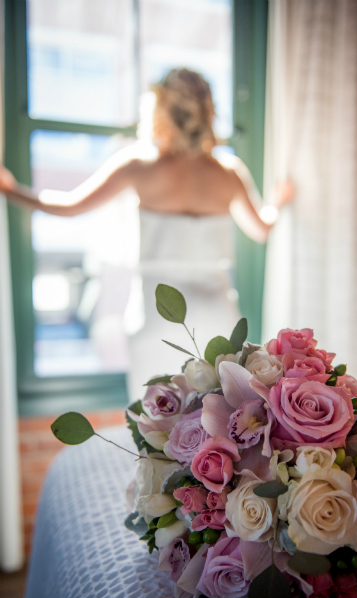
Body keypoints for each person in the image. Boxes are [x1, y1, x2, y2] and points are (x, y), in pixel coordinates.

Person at [0, 68, 294, 399]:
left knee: (157, 423)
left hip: (159, 313)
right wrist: (278, 203)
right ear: (208, 111)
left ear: (159, 110)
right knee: (220, 418)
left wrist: (10, 189)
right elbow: (260, 229)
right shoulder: (229, 172)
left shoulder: (139, 166)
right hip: (217, 309)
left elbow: (68, 207)